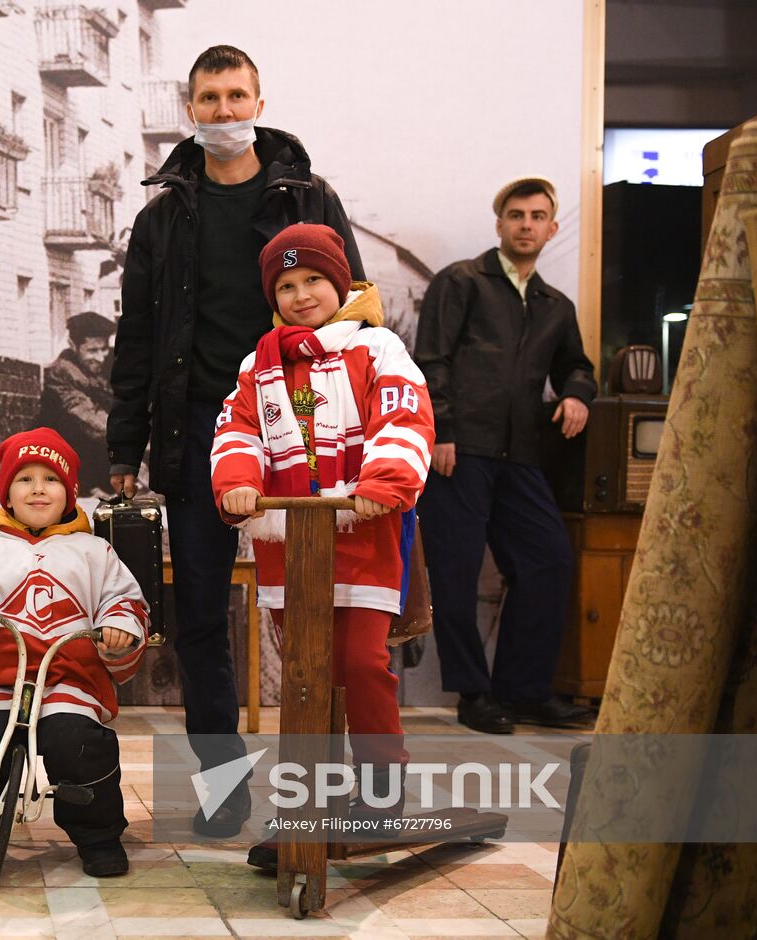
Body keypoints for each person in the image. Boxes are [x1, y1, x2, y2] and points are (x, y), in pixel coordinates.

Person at [107, 44, 365, 837]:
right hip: (194, 442)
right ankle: (224, 788)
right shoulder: (161, 217)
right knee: (201, 624)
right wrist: (125, 449)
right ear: (190, 109)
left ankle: (331, 791)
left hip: (298, 442)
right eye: (209, 99)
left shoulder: (308, 198)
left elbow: (353, 313)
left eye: (236, 95)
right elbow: (138, 338)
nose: (224, 111)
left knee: (317, 614)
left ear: (260, 99)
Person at [210, 224, 434, 869]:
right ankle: (304, 809)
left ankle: (381, 790)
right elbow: (237, 430)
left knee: (359, 664)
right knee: (306, 678)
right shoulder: (261, 364)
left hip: (362, 535)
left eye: (313, 280)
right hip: (290, 544)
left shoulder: (377, 348)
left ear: (340, 283)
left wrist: (382, 484)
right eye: (286, 285)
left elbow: (405, 415)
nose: (302, 294)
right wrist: (238, 484)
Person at [0, 428, 149, 877]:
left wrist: (118, 626)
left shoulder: (96, 551)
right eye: (25, 479)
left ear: (71, 493)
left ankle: (98, 835)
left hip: (69, 680)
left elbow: (125, 600)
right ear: (6, 496)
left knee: (76, 743)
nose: (38, 488)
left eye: (51, 479)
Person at [413, 177, 597, 734]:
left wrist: (576, 394)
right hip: (459, 451)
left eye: (537, 216)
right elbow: (432, 360)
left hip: (521, 454)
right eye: (516, 215)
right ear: (500, 224)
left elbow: (578, 367)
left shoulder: (555, 305)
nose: (526, 224)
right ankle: (474, 693)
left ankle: (523, 690)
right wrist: (440, 429)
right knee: (457, 573)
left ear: (552, 228)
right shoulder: (460, 282)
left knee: (549, 562)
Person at [39, 312, 117, 497]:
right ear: (73, 346)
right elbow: (90, 419)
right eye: (92, 351)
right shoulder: (61, 374)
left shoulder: (101, 367)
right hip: (61, 465)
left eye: (104, 349)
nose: (100, 357)